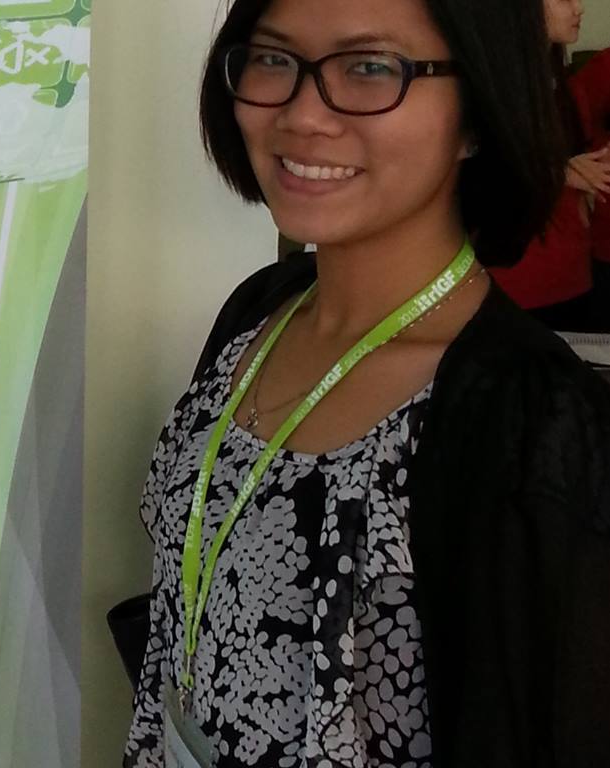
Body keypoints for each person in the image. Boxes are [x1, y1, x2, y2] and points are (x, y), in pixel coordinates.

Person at [120, 0, 610, 765]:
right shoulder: (259, 312)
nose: (301, 114)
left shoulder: (530, 418)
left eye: (370, 68)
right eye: (272, 59)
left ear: (478, 113)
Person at [488, 0, 610, 331]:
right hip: (519, 275)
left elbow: (585, 155)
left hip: (574, 268)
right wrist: (558, 172)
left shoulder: (564, 85)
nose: (579, 8)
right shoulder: (494, 86)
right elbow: (483, 172)